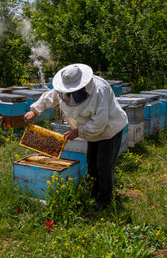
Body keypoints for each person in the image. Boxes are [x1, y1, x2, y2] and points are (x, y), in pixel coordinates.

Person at [24, 63, 128, 210]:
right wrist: (35, 110)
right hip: (89, 130)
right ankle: (93, 194)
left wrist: (78, 132)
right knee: (91, 163)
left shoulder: (100, 91)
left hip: (109, 129)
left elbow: (99, 123)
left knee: (104, 165)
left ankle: (104, 202)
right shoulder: (63, 90)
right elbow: (51, 96)